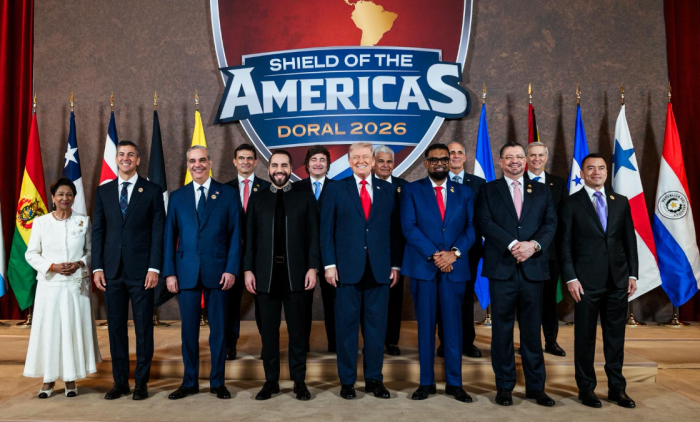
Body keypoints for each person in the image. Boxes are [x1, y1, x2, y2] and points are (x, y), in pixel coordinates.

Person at [476, 141, 557, 407]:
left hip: (533, 269)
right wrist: (513, 245)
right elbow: (484, 222)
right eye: (509, 157)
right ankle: (504, 387)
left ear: (526, 161)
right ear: (500, 162)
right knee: (502, 332)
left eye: (519, 157)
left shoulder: (542, 190)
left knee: (532, 331)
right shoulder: (488, 190)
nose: (515, 161)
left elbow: (550, 223)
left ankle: (536, 388)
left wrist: (533, 246)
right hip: (502, 269)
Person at [320, 142, 402, 400]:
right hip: (346, 270)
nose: (361, 161)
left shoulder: (388, 190)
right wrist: (329, 265)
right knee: (346, 330)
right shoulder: (335, 189)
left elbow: (395, 231)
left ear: (374, 160)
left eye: (366, 156)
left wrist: (395, 264)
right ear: (349, 160)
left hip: (379, 270)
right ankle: (347, 382)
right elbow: (326, 230)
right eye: (355, 157)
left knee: (376, 329)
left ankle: (374, 380)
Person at [559, 153, 638, 409]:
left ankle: (617, 389)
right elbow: (564, 245)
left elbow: (629, 241)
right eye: (590, 168)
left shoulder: (621, 202)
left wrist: (633, 274)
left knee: (615, 338)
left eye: (601, 168)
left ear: (606, 172)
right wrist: (570, 277)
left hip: (617, 281)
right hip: (584, 283)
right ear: (582, 173)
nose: (596, 172)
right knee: (585, 338)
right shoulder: (570, 203)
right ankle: (586, 389)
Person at [163, 145, 241, 400]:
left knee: (219, 331)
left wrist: (231, 269)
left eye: (202, 160)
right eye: (193, 161)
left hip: (219, 273)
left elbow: (236, 236)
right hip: (186, 273)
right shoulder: (177, 197)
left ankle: (217, 382)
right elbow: (169, 237)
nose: (197, 165)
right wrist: (169, 273)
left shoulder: (227, 194)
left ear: (210, 162)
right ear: (188, 164)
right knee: (188, 332)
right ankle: (189, 382)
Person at [401, 144, 475, 402]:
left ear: (450, 161)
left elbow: (471, 227)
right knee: (425, 328)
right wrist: (436, 255)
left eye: (444, 158)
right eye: (434, 160)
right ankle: (426, 382)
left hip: (454, 269)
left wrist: (453, 253)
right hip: (424, 269)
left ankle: (455, 384)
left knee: (453, 328)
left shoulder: (464, 192)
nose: (440, 163)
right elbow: (409, 227)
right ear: (426, 163)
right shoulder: (412, 190)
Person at [244, 150, 320, 401]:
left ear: (291, 168)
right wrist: (248, 270)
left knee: (298, 333)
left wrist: (312, 267)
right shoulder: (257, 199)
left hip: (296, 275)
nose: (279, 169)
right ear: (268, 169)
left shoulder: (304, 197)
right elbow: (249, 239)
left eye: (284, 165)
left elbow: (313, 236)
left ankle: (299, 381)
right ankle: (271, 381)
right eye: (275, 165)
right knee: (268, 333)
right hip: (265, 276)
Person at [92, 140, 165, 401]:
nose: (125, 158)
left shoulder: (152, 190)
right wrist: (97, 267)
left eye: (130, 154)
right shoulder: (103, 191)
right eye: (121, 154)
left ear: (138, 159)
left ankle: (141, 383)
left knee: (144, 328)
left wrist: (154, 267)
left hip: (142, 272)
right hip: (111, 271)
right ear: (116, 159)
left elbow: (158, 231)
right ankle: (120, 382)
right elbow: (98, 230)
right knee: (116, 329)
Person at [24, 178, 100, 398]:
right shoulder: (41, 222)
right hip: (50, 286)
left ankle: (70, 379)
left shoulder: (83, 221)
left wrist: (79, 263)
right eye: (60, 194)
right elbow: (31, 254)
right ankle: (48, 380)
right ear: (53, 198)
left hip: (76, 286)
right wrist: (52, 266)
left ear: (74, 198)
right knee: (50, 332)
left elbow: (91, 251)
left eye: (69, 194)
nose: (65, 198)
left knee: (72, 331)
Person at [435, 141, 486, 359]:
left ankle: (467, 342)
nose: (455, 156)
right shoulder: (437, 181)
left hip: (468, 251)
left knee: (465, 297)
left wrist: (460, 248)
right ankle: (444, 342)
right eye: (451, 153)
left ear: (465, 157)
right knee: (443, 297)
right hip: (441, 252)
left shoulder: (479, 184)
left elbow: (480, 219)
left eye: (459, 153)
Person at [225, 144, 270, 360]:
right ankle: (229, 346)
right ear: (234, 161)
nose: (245, 162)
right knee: (230, 304)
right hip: (232, 255)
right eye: (241, 158)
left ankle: (267, 345)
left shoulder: (268, 188)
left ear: (255, 161)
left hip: (260, 256)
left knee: (264, 304)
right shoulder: (224, 190)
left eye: (249, 158)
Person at [525, 141, 568, 357]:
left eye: (540, 155)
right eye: (532, 155)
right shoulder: (517, 182)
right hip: (523, 252)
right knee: (527, 301)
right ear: (526, 158)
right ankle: (528, 343)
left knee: (549, 300)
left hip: (550, 253)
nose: (537, 159)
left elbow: (563, 219)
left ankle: (551, 341)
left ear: (546, 158)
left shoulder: (558, 184)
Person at [292, 145, 335, 353]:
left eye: (322, 160)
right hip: (303, 255)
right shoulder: (295, 189)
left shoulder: (338, 188)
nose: (318, 164)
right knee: (302, 303)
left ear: (328, 165)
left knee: (333, 302)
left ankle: (335, 344)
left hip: (331, 255)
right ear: (307, 164)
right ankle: (302, 345)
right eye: (314, 160)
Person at [372, 145, 408, 356]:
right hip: (370, 254)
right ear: (373, 163)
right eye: (381, 161)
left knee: (394, 299)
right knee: (372, 302)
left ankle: (392, 341)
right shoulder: (364, 185)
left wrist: (397, 261)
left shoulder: (404, 187)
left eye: (389, 161)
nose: (385, 165)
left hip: (396, 253)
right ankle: (372, 342)